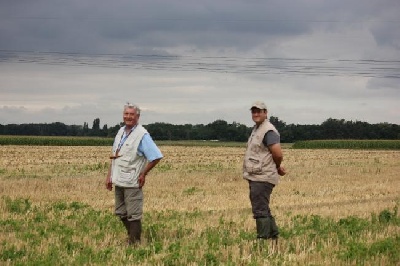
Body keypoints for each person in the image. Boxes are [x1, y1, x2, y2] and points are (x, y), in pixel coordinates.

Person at [105, 103, 163, 246]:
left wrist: (143, 173)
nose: (128, 117)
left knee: (134, 214)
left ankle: (134, 243)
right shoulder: (120, 132)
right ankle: (132, 237)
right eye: (126, 114)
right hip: (118, 179)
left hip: (132, 180)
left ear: (137, 117)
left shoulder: (142, 135)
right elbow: (114, 155)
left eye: (131, 114)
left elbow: (156, 156)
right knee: (120, 212)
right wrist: (109, 176)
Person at [243, 101, 286, 245]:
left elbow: (277, 153)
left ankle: (263, 241)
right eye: (253, 112)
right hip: (257, 175)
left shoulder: (268, 130)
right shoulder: (257, 129)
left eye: (259, 111)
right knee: (263, 208)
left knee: (260, 209)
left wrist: (278, 167)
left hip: (263, 176)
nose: (255, 114)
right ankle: (273, 238)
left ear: (265, 113)